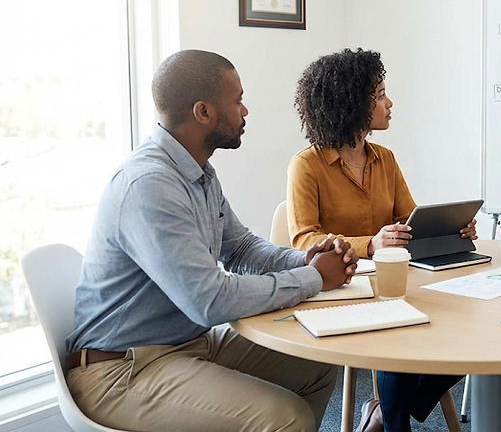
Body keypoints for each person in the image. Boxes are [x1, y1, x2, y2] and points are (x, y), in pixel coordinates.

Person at [66, 50, 358, 432]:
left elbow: (240, 249)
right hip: (121, 369)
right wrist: (315, 279)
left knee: (318, 364)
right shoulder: (150, 185)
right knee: (286, 418)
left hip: (187, 346)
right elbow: (209, 300)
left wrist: (304, 260)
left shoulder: (199, 173)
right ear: (203, 112)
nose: (245, 110)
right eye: (237, 100)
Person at [288, 48, 471, 432]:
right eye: (381, 94)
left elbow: (410, 221)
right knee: (397, 337)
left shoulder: (385, 158)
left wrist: (452, 228)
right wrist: (369, 244)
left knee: (468, 332)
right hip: (340, 291)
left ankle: (386, 413)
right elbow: (304, 240)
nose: (390, 103)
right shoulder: (307, 165)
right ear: (354, 102)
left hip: (394, 286)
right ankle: (392, 417)